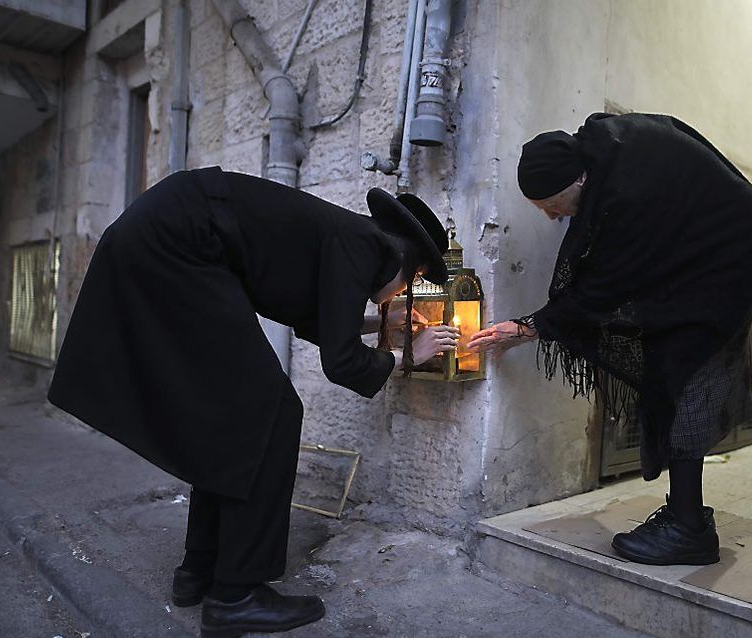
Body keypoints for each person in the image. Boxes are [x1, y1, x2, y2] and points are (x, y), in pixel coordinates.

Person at [47, 167, 459, 635]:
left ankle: (200, 570)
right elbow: (340, 363)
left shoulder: (347, 237)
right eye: (411, 284)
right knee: (273, 413)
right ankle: (237, 594)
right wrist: (407, 354)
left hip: (165, 236)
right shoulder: (365, 243)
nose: (401, 297)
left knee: (234, 413)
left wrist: (379, 327)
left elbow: (322, 322)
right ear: (410, 264)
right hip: (182, 242)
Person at [469, 113, 752, 566]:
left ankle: (689, 529)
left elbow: (604, 287)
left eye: (550, 203)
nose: (551, 215)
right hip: (706, 257)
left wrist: (527, 328)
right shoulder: (610, 149)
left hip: (730, 264)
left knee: (683, 373)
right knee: (671, 369)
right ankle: (686, 515)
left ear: (577, 179)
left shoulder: (626, 187)